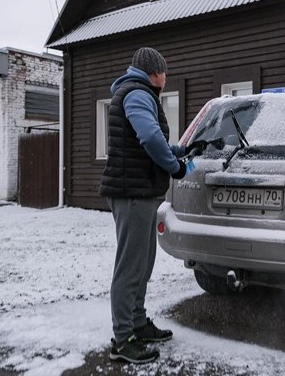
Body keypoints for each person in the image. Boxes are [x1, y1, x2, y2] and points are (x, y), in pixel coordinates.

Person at [99, 47, 195, 364]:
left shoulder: (136, 93)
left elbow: (151, 141)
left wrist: (180, 150)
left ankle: (137, 323)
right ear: (155, 72)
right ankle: (123, 339)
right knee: (130, 267)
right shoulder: (138, 94)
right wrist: (176, 168)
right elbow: (150, 138)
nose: (166, 78)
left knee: (143, 263)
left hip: (139, 191)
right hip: (132, 193)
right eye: (164, 72)